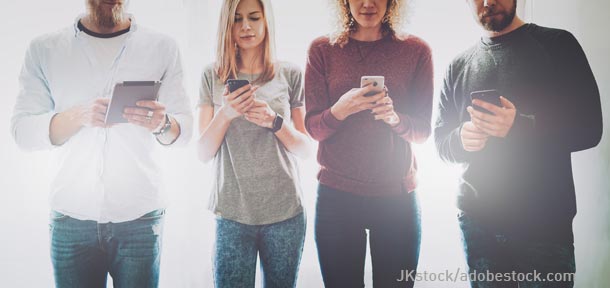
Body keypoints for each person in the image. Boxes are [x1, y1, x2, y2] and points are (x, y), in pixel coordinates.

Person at [10, 0, 193, 287]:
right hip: (70, 218)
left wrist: (162, 123)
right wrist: (77, 116)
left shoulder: (163, 47)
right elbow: (22, 131)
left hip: (140, 219)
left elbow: (184, 132)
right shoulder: (44, 49)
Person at [434, 0, 603, 287]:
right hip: (477, 224)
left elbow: (590, 128)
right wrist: (460, 139)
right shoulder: (457, 65)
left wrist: (520, 125)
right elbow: (441, 143)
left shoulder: (558, 44)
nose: (488, 2)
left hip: (544, 223)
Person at [304, 0, 433, 286]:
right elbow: (313, 128)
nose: (367, 3)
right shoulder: (322, 50)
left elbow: (423, 131)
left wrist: (394, 118)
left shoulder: (416, 50)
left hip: (397, 198)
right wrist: (341, 110)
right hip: (336, 198)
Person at [197, 0, 310, 287]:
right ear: (227, 25)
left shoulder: (290, 73)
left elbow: (306, 148)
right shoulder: (213, 75)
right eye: (237, 19)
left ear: (266, 21)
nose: (246, 26)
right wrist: (226, 114)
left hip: (285, 212)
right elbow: (202, 152)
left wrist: (275, 122)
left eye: (254, 17)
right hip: (232, 213)